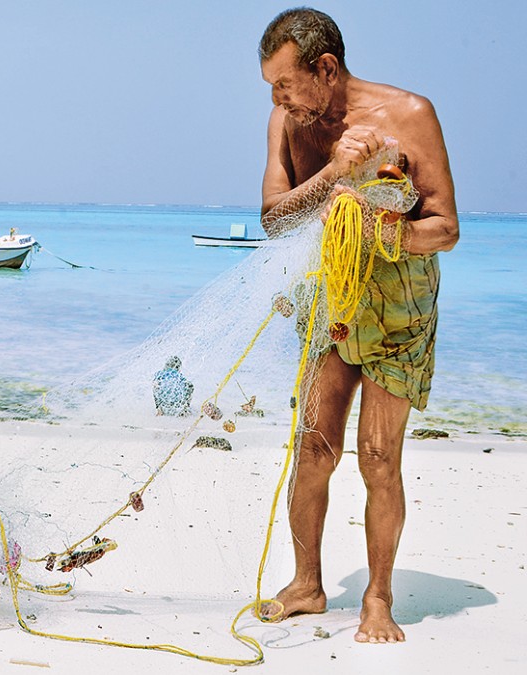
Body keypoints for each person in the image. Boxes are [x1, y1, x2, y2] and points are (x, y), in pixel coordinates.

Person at [256, 8, 458, 643]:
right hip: (330, 300)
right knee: (313, 449)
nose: (278, 99)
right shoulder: (288, 124)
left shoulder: (410, 115)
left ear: (325, 68)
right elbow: (274, 218)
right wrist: (337, 174)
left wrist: (380, 228)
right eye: (270, 88)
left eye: (286, 84)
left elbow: (445, 230)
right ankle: (307, 584)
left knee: (377, 457)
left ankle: (377, 599)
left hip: (399, 307)